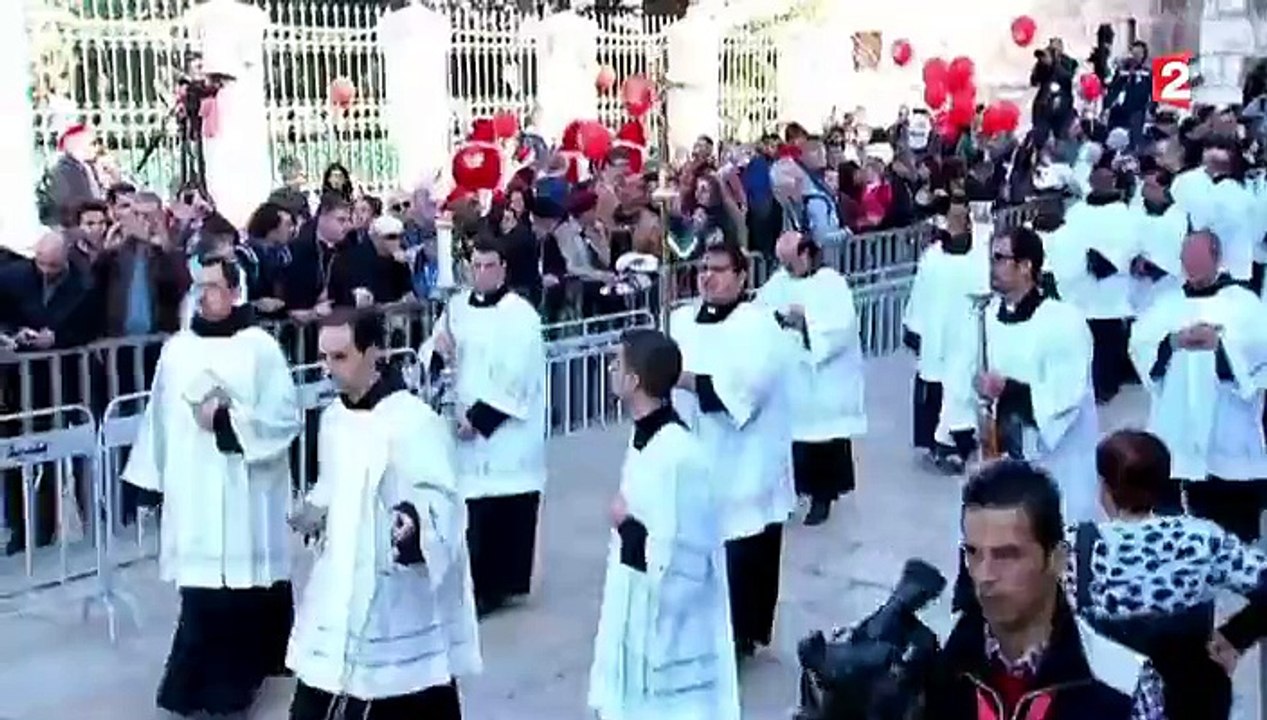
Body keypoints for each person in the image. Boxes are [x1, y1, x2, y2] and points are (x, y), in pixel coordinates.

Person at [121, 256, 301, 719]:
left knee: (239, 595)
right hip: (194, 488)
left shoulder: (259, 347)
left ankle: (231, 691)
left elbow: (284, 417)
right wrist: (148, 481)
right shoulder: (178, 350)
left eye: (214, 286)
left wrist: (227, 422)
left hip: (245, 488)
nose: (204, 295)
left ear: (235, 291)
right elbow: (158, 419)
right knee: (200, 594)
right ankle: (188, 690)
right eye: (198, 286)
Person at [286, 310, 480, 720]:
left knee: (405, 696)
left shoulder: (414, 422)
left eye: (339, 357)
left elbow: (443, 500)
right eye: (323, 358)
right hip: (339, 585)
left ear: (373, 352)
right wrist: (315, 510)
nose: (327, 369)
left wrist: (414, 525)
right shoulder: (333, 418)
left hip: (394, 593)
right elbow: (335, 482)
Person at [933, 460, 1165, 719]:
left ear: (1057, 559)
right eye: (974, 553)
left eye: (1007, 555)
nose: (985, 575)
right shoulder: (938, 667)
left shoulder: (1123, 682)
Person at [588, 328, 740, 720]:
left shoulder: (678, 454)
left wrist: (626, 526)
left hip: (673, 634)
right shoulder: (645, 436)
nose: (610, 368)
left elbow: (684, 556)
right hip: (637, 608)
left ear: (635, 381)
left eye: (617, 363)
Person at [1065, 429, 1267, 720]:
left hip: (1110, 702)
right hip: (1194, 699)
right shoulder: (1200, 537)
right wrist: (1236, 635)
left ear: (1104, 488)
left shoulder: (1076, 547)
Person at [668, 238, 795, 659]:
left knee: (744, 550)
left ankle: (742, 634)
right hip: (695, 453)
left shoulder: (758, 326)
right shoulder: (681, 320)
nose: (707, 275)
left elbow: (745, 394)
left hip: (745, 459)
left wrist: (684, 379)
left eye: (719, 269)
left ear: (741, 277)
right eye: (703, 267)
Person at [421, 238, 547, 616]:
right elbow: (433, 350)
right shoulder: (456, 308)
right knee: (470, 511)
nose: (481, 273)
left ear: (503, 268)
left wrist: (479, 419)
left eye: (489, 266)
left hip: (504, 433)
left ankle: (497, 587)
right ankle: (471, 587)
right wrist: (437, 353)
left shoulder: (520, 314)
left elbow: (518, 375)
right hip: (462, 423)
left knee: (503, 510)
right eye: (475, 266)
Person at [942, 226, 1100, 524]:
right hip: (996, 456)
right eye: (991, 258)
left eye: (1000, 258)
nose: (993, 267)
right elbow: (960, 375)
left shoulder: (1064, 321)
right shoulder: (983, 317)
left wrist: (1009, 390)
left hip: (1056, 462)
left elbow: (1066, 393)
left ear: (1027, 266)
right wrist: (965, 428)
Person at [1128, 230, 1267, 543]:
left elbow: (1260, 349)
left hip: (1228, 425)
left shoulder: (1243, 302)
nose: (1191, 264)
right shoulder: (1166, 304)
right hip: (1178, 426)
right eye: (1186, 258)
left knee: (1236, 531)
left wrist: (1222, 346)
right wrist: (1173, 342)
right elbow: (1140, 344)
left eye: (1198, 257)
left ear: (1216, 258)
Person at [757, 230, 866, 525]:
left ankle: (823, 497)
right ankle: (794, 493)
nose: (786, 269)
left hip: (824, 382)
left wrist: (807, 323)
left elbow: (841, 327)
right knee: (792, 443)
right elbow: (760, 311)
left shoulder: (832, 283)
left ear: (806, 254)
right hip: (791, 381)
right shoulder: (779, 282)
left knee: (823, 442)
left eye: (790, 262)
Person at [903, 200, 989, 473]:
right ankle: (932, 443)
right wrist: (912, 325)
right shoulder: (933, 256)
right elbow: (920, 290)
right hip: (934, 331)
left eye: (959, 219)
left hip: (965, 334)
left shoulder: (979, 256)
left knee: (961, 388)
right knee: (934, 384)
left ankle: (957, 443)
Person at [1044, 167, 1137, 404]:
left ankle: (1106, 385)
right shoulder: (1077, 212)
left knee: (1109, 341)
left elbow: (1131, 244)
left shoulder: (1123, 213)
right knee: (1086, 341)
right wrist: (1085, 260)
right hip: (1081, 286)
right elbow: (1067, 243)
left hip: (1111, 287)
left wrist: (1112, 261)